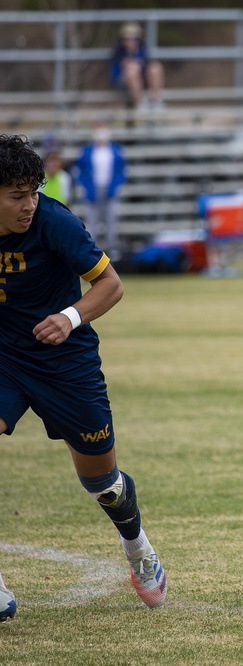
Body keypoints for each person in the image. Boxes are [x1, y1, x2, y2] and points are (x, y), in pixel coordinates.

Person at [0, 134, 167, 621]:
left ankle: (137, 547)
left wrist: (69, 318)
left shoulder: (55, 221)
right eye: (16, 196)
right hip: (6, 358)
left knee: (103, 483)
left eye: (34, 191)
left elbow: (110, 284)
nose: (29, 204)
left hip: (65, 362)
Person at [74, 123, 127, 259]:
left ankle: (112, 250)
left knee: (110, 221)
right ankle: (92, 251)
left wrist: (114, 186)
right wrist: (87, 187)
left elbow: (121, 170)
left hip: (109, 188)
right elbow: (80, 171)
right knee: (92, 221)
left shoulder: (115, 150)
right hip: (93, 189)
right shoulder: (87, 150)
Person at [110, 22, 165, 111]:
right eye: (126, 39)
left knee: (156, 67)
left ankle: (156, 102)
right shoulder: (118, 52)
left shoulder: (142, 50)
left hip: (140, 80)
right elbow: (117, 74)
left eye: (133, 39)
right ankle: (141, 105)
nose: (130, 41)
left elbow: (147, 66)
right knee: (132, 70)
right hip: (122, 82)